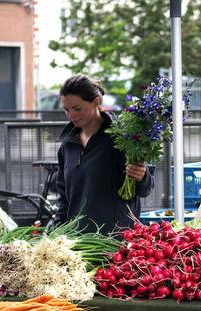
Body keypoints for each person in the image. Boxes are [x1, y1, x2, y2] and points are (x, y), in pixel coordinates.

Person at [49, 75, 154, 234]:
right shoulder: (66, 147)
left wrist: (142, 176)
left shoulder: (122, 139)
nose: (71, 115)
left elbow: (145, 189)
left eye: (77, 109)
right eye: (66, 109)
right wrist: (56, 232)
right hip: (77, 245)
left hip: (116, 243)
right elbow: (64, 199)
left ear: (96, 102)